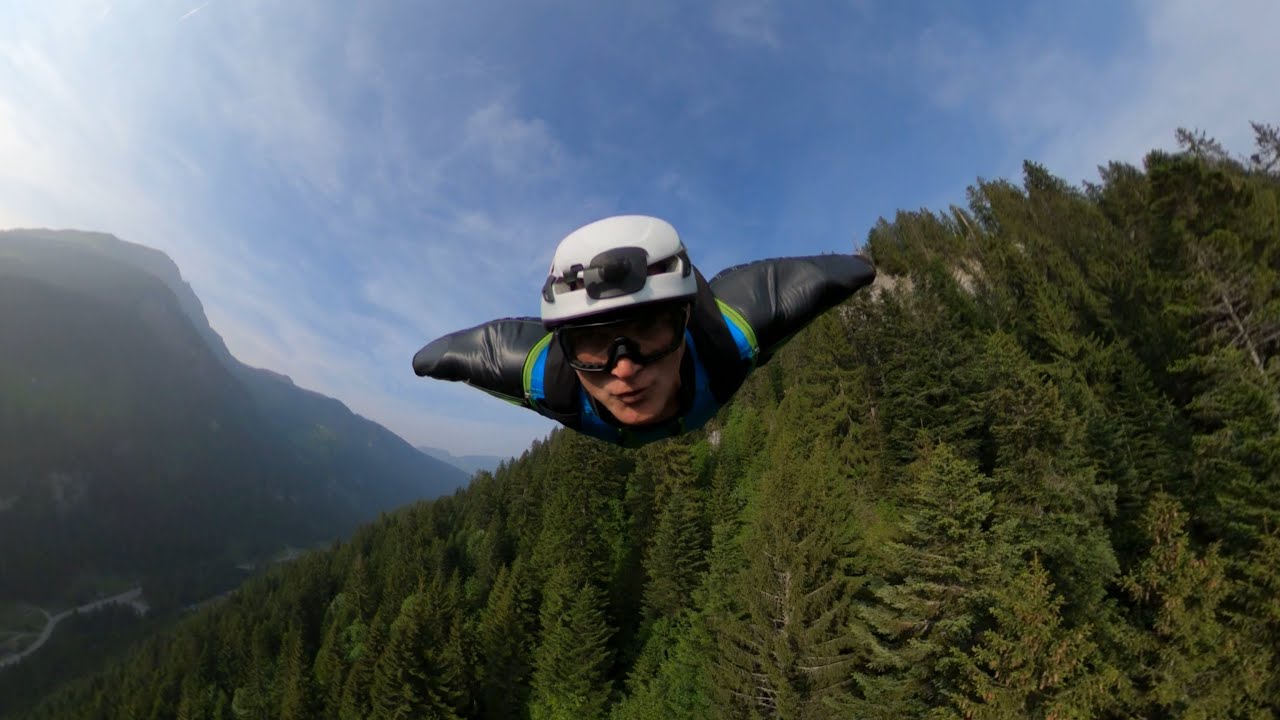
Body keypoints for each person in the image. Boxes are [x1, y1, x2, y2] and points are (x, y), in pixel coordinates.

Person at [412, 215, 876, 447]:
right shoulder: (550, 379)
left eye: (650, 330)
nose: (625, 367)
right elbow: (462, 351)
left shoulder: (729, 335)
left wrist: (866, 267)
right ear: (562, 343)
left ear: (687, 319)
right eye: (591, 341)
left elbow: (823, 278)